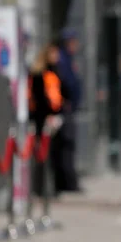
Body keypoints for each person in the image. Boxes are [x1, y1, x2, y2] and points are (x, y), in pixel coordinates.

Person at [28, 43, 64, 197]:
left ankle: (52, 187)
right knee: (42, 155)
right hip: (42, 120)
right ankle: (40, 189)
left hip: (53, 117)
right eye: (54, 54)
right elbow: (39, 99)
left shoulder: (54, 72)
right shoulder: (38, 74)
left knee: (53, 154)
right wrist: (48, 115)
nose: (57, 57)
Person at [55, 30, 82, 192]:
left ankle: (68, 182)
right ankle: (67, 183)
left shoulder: (67, 59)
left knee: (68, 146)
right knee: (66, 146)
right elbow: (68, 84)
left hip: (69, 108)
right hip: (65, 109)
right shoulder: (63, 60)